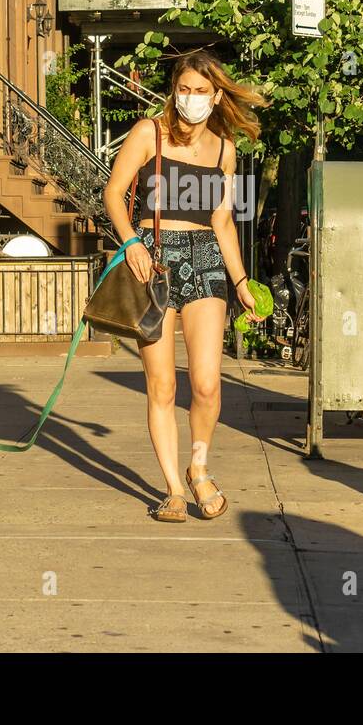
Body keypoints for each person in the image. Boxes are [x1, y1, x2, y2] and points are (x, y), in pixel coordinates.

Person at [102, 49, 269, 522]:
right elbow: (114, 192)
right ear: (173, 91)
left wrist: (240, 281)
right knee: (161, 385)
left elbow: (222, 220)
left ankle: (199, 468)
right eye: (183, 90)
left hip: (206, 260)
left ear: (216, 96)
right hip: (153, 260)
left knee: (208, 384)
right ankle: (174, 490)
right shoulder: (147, 133)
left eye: (200, 92)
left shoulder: (224, 149)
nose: (190, 99)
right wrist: (131, 241)